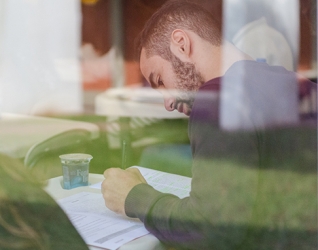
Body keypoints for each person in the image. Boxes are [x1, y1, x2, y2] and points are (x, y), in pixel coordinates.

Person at [101, 1, 315, 249]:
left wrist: (134, 196)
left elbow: (209, 231)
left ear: (181, 43)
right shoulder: (294, 83)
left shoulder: (218, 101)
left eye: (160, 80)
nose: (167, 103)